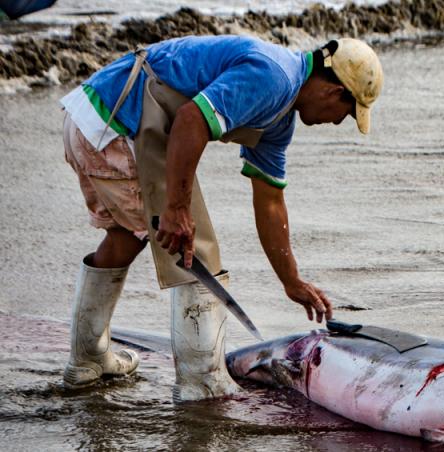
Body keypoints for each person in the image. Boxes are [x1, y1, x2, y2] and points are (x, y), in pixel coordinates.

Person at [59, 35, 383, 402]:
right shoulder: (274, 76)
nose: (340, 122)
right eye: (348, 112)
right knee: (192, 249)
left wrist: (290, 280)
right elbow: (191, 119)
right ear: (333, 91)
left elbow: (270, 200)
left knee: (126, 237)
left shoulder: (279, 119)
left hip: (89, 119)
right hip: (117, 123)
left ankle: (87, 360)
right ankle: (202, 382)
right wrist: (178, 208)